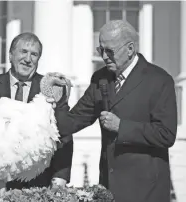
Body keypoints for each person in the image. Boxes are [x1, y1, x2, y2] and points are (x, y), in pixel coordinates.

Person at [54, 20, 177, 202]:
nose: (104, 56)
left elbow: (166, 134)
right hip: (108, 190)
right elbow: (72, 121)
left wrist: (121, 127)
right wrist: (60, 101)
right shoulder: (100, 78)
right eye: (100, 50)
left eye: (109, 51)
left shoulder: (159, 80)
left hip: (146, 192)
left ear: (130, 49)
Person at [0, 32, 73, 190]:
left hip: (38, 184)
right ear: (10, 55)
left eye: (34, 54)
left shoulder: (51, 88)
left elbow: (64, 134)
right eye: (23, 52)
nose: (28, 59)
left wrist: (60, 177)